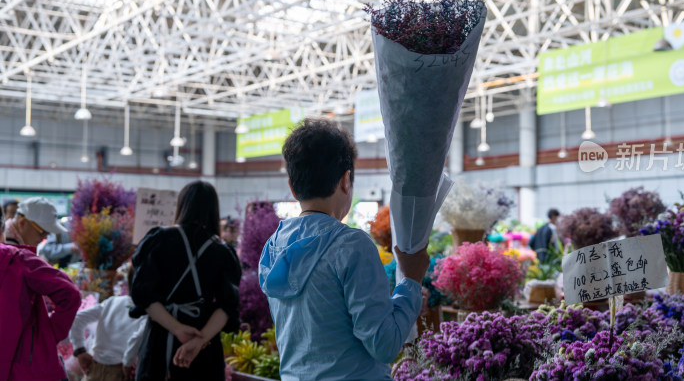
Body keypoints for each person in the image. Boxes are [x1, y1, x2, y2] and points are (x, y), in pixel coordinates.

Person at [259, 118, 429, 380]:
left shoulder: (273, 247)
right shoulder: (350, 246)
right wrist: (411, 284)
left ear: (293, 188)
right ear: (346, 180)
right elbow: (383, 345)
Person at [129, 181, 242, 381]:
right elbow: (227, 306)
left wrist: (176, 328)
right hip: (203, 346)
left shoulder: (158, 239)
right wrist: (199, 341)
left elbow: (143, 295)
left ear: (182, 205)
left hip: (160, 340)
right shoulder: (223, 252)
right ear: (214, 209)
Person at [0, 197, 82, 381]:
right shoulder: (18, 258)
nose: (44, 238)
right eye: (43, 232)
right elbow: (70, 293)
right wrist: (50, 332)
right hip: (22, 364)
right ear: (22, 223)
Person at [69, 269, 145, 381]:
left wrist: (80, 350)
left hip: (94, 368)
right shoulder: (147, 313)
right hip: (120, 371)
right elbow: (136, 338)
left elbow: (78, 318)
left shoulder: (113, 302)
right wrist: (128, 363)